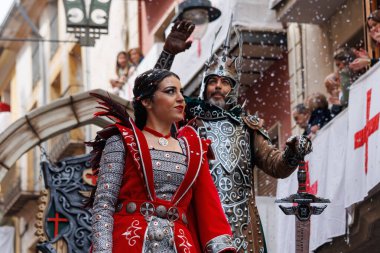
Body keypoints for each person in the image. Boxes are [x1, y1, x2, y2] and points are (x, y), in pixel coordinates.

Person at [154, 20, 313, 253]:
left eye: (225, 82)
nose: (218, 87)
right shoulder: (186, 120)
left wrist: (293, 153)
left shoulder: (248, 126)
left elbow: (276, 165)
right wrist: (168, 54)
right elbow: (152, 95)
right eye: (213, 82)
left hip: (243, 226)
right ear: (204, 87)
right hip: (197, 218)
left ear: (234, 88)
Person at [88, 69, 236, 253]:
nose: (181, 98)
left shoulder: (195, 149)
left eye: (181, 92)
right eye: (170, 91)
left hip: (181, 246)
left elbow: (210, 210)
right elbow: (104, 205)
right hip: (128, 243)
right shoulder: (121, 141)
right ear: (146, 101)